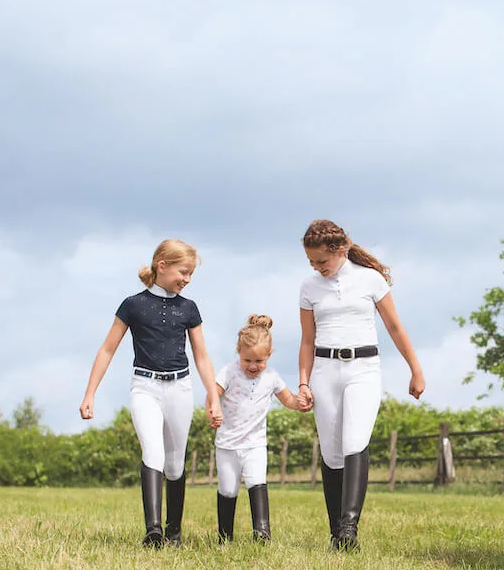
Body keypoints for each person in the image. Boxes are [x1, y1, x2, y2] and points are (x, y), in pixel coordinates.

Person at [80, 239, 223, 548]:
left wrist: (212, 395)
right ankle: (153, 531)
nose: (187, 280)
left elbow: (201, 355)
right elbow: (107, 350)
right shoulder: (132, 305)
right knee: (152, 453)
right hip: (145, 387)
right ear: (162, 266)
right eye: (183, 272)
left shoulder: (189, 308)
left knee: (175, 464)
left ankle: (174, 533)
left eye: (190, 275)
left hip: (180, 388)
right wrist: (90, 393)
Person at [297, 219, 426, 551]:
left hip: (363, 368)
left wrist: (416, 369)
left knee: (355, 441)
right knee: (331, 451)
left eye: (321, 261)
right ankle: (334, 532)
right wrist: (303, 382)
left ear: (340, 250)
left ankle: (349, 530)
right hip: (325, 370)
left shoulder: (370, 280)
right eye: (311, 262)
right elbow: (307, 341)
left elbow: (396, 328)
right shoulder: (309, 288)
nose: (317, 267)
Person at [214, 314, 304, 544]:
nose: (253, 367)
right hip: (227, 444)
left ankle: (262, 534)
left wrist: (301, 404)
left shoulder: (272, 377)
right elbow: (213, 395)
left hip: (255, 444)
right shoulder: (228, 372)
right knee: (227, 489)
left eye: (259, 362)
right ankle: (225, 538)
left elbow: (288, 400)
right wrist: (213, 410)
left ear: (268, 356)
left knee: (257, 482)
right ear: (238, 353)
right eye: (247, 361)